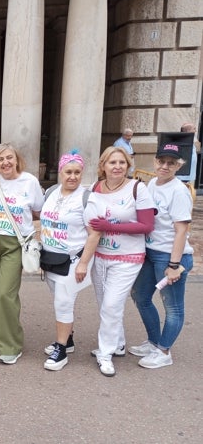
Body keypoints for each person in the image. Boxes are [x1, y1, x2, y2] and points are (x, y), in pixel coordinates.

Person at [89, 146, 155, 377]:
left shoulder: (138, 188)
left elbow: (147, 226)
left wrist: (110, 227)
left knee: (111, 304)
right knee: (104, 303)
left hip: (128, 258)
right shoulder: (95, 188)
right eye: (112, 162)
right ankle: (117, 343)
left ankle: (105, 354)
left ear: (128, 165)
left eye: (122, 162)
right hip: (100, 256)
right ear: (103, 166)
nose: (117, 167)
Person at [130, 142, 194, 369]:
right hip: (150, 252)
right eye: (161, 161)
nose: (165, 166)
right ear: (155, 162)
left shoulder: (179, 191)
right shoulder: (152, 184)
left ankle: (164, 351)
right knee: (140, 296)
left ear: (179, 166)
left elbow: (181, 230)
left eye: (171, 163)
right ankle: (153, 341)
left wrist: (174, 264)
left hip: (170, 256)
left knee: (173, 307)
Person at [0, 143, 43, 364]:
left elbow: (38, 211)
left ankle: (11, 344)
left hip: (16, 242)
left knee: (5, 293)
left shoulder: (30, 181)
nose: (5, 163)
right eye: (0, 159)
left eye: (9, 158)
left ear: (16, 159)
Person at [40, 151, 100, 371]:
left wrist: (84, 263)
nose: (72, 176)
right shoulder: (51, 192)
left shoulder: (86, 198)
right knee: (59, 298)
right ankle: (70, 338)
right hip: (51, 258)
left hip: (73, 259)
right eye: (68, 171)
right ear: (61, 172)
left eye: (77, 172)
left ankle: (61, 348)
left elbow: (94, 234)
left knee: (63, 303)